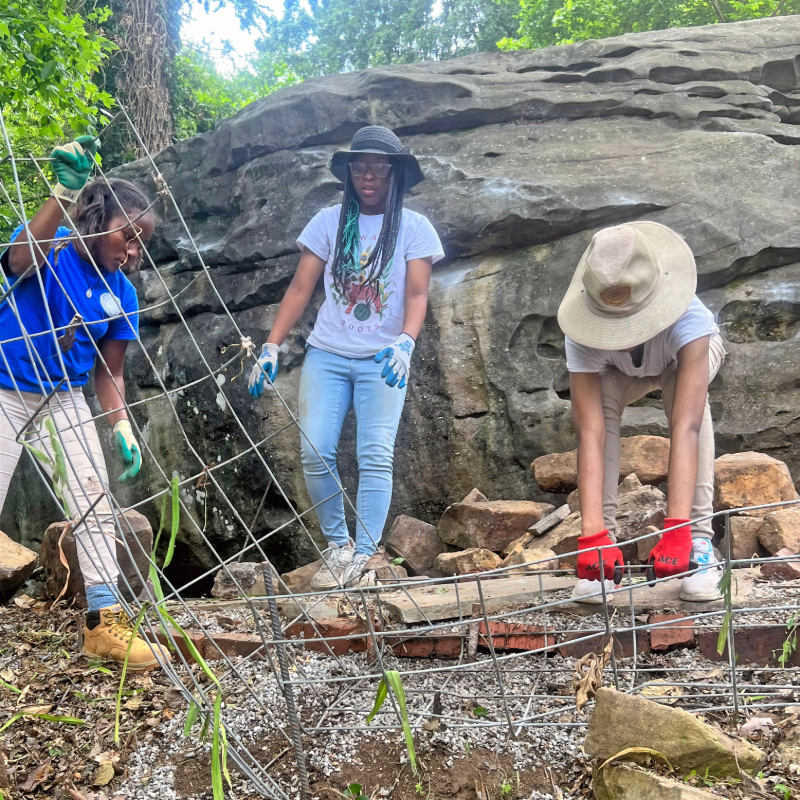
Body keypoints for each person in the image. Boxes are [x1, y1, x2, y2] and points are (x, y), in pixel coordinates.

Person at [248, 126, 444, 589]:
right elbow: (300, 288)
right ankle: (338, 547)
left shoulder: (415, 227)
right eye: (360, 166)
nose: (369, 174)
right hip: (328, 354)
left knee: (375, 454)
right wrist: (272, 344)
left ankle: (365, 552)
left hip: (383, 360)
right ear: (349, 171)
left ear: (396, 173)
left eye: (379, 166)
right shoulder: (328, 221)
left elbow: (418, 295)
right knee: (315, 449)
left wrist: (405, 342)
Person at [0, 135, 169, 669]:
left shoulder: (124, 293)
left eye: (141, 242)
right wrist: (62, 191)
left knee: (95, 502)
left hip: (65, 398)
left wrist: (120, 425)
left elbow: (110, 369)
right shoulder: (53, 249)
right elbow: (19, 259)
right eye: (127, 234)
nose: (133, 250)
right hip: (5, 387)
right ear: (97, 221)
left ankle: (102, 623)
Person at [557, 221, 726, 604]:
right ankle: (604, 554)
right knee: (599, 407)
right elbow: (591, 434)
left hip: (678, 361)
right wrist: (591, 534)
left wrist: (679, 529)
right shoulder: (579, 332)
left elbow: (686, 426)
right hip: (617, 373)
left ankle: (700, 546)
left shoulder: (691, 319)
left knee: (685, 398)